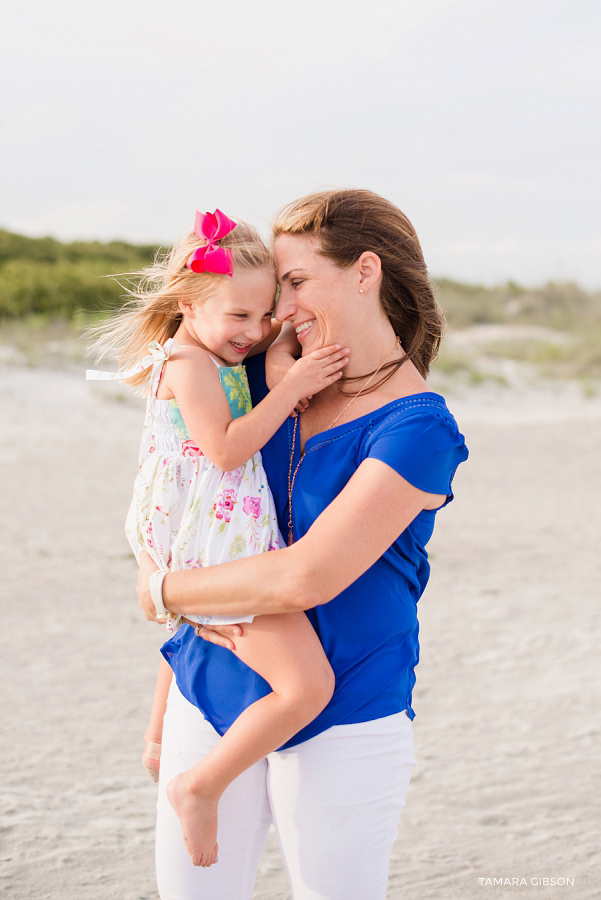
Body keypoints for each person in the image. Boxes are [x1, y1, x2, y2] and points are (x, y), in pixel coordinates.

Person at [137, 189, 469, 900]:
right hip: (212, 685)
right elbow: (203, 524)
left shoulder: (417, 429)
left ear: (364, 271)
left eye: (295, 283)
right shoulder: (261, 378)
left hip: (342, 710)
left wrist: (160, 591)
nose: (279, 312)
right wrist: (166, 700)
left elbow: (301, 579)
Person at [87, 209, 351, 867]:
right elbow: (227, 449)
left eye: (263, 314)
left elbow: (259, 342)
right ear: (187, 302)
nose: (254, 331)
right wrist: (292, 382)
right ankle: (198, 786)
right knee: (305, 687)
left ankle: (156, 741)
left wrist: (280, 343)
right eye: (239, 316)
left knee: (184, 626)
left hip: (204, 525)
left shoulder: (211, 343)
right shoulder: (187, 360)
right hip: (213, 535)